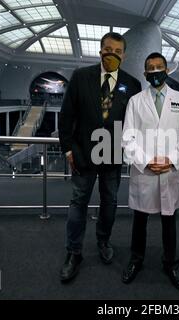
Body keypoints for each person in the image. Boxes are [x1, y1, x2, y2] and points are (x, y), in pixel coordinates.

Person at [58, 32, 141, 283]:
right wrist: (69, 150)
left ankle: (103, 241)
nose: (111, 54)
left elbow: (135, 124)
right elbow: (66, 116)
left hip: (113, 155)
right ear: (100, 50)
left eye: (117, 51)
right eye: (107, 49)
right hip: (83, 155)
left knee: (110, 203)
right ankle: (74, 252)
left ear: (124, 55)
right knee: (78, 204)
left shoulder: (133, 85)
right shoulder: (81, 77)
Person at [121, 52, 179, 290]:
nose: (155, 71)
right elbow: (128, 138)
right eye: (150, 68)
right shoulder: (135, 101)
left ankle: (171, 264)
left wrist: (172, 161)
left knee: (169, 220)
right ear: (145, 74)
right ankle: (135, 261)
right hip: (145, 171)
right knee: (139, 221)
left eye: (159, 67)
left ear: (167, 70)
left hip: (169, 172)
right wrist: (146, 161)